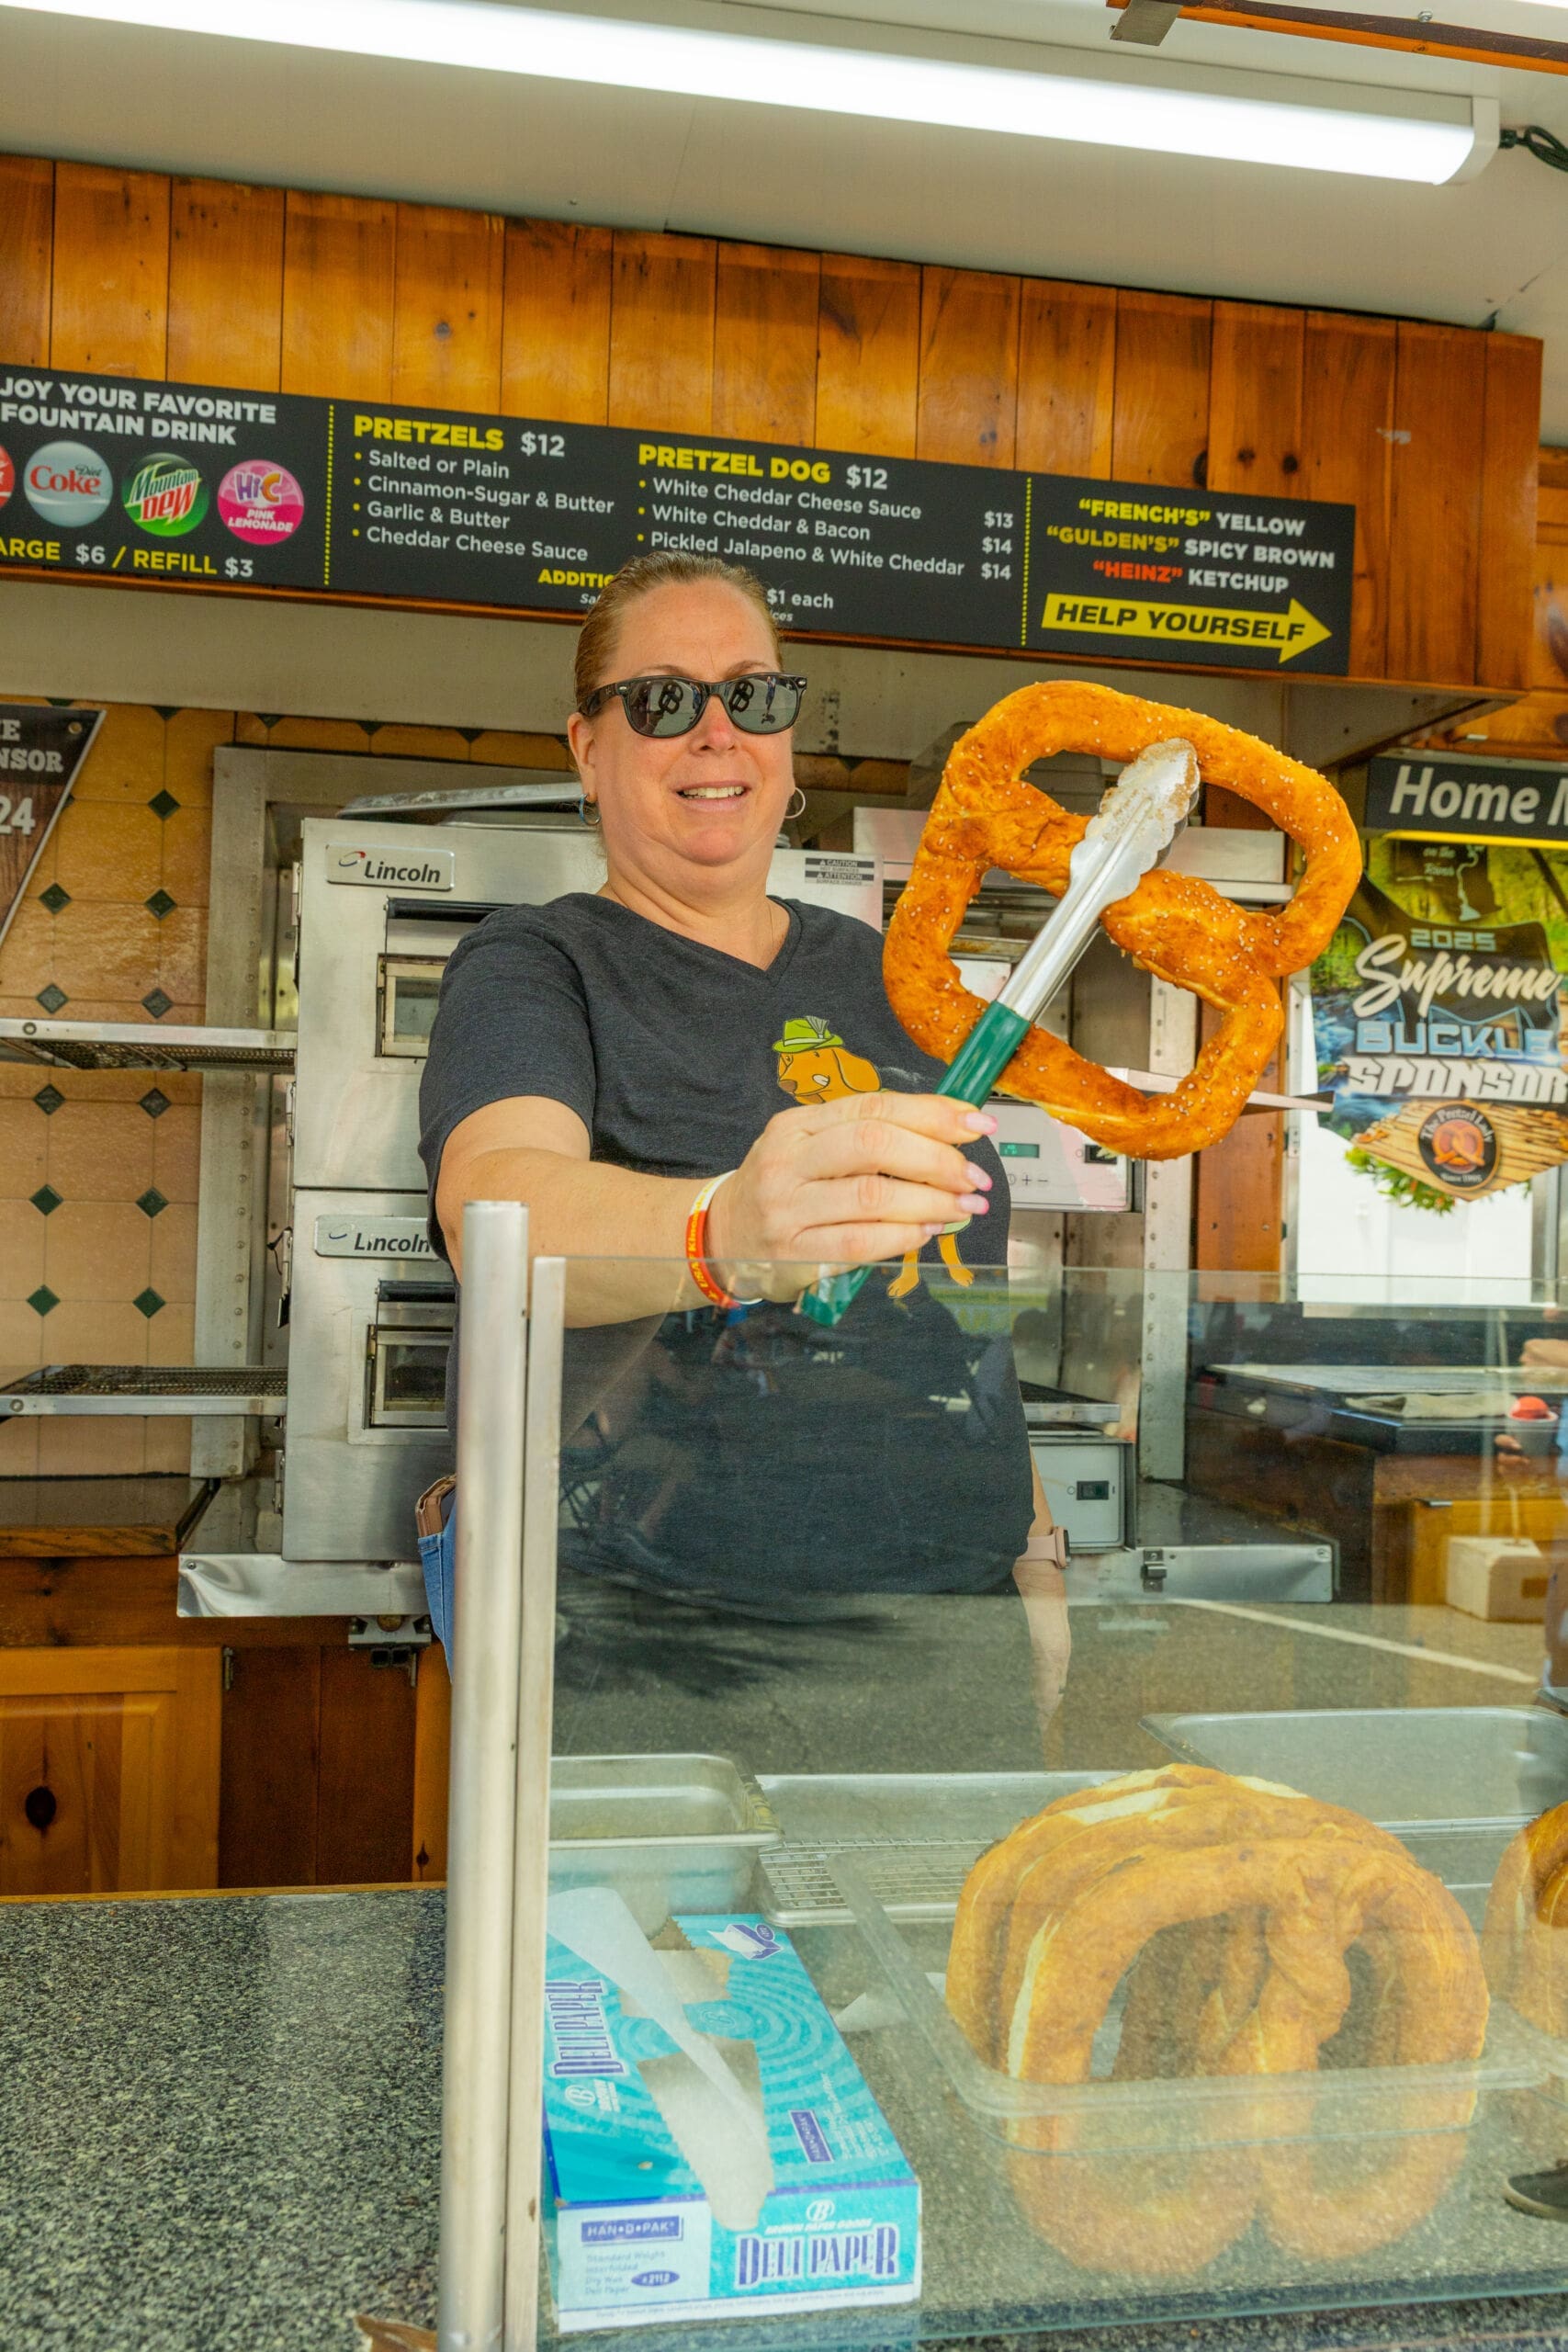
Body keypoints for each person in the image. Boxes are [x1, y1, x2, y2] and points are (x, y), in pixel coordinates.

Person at [416, 551, 1067, 1753]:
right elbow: (495, 1205)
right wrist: (722, 1233)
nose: (717, 733)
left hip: (952, 1633)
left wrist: (1037, 1553)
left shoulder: (894, 978)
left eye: (754, 696)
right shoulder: (537, 965)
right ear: (588, 748)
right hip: (651, 1637)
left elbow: (961, 1303)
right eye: (664, 700)